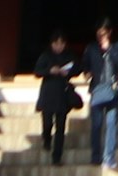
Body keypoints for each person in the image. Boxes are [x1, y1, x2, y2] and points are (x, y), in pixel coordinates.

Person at [85, 15, 118, 168]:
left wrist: (109, 48)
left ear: (110, 32)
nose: (101, 36)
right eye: (99, 33)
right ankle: (95, 156)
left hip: (112, 89)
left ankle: (109, 157)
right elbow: (86, 65)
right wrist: (87, 73)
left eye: (104, 33)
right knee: (96, 124)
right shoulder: (91, 48)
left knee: (111, 123)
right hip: (97, 89)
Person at [34, 32, 82, 165]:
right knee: (47, 122)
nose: (59, 46)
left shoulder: (69, 56)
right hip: (48, 93)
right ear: (52, 44)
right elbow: (37, 71)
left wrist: (69, 72)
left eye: (61, 43)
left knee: (60, 128)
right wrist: (50, 70)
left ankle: (57, 157)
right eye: (56, 43)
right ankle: (47, 139)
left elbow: (78, 68)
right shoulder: (46, 56)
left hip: (62, 93)